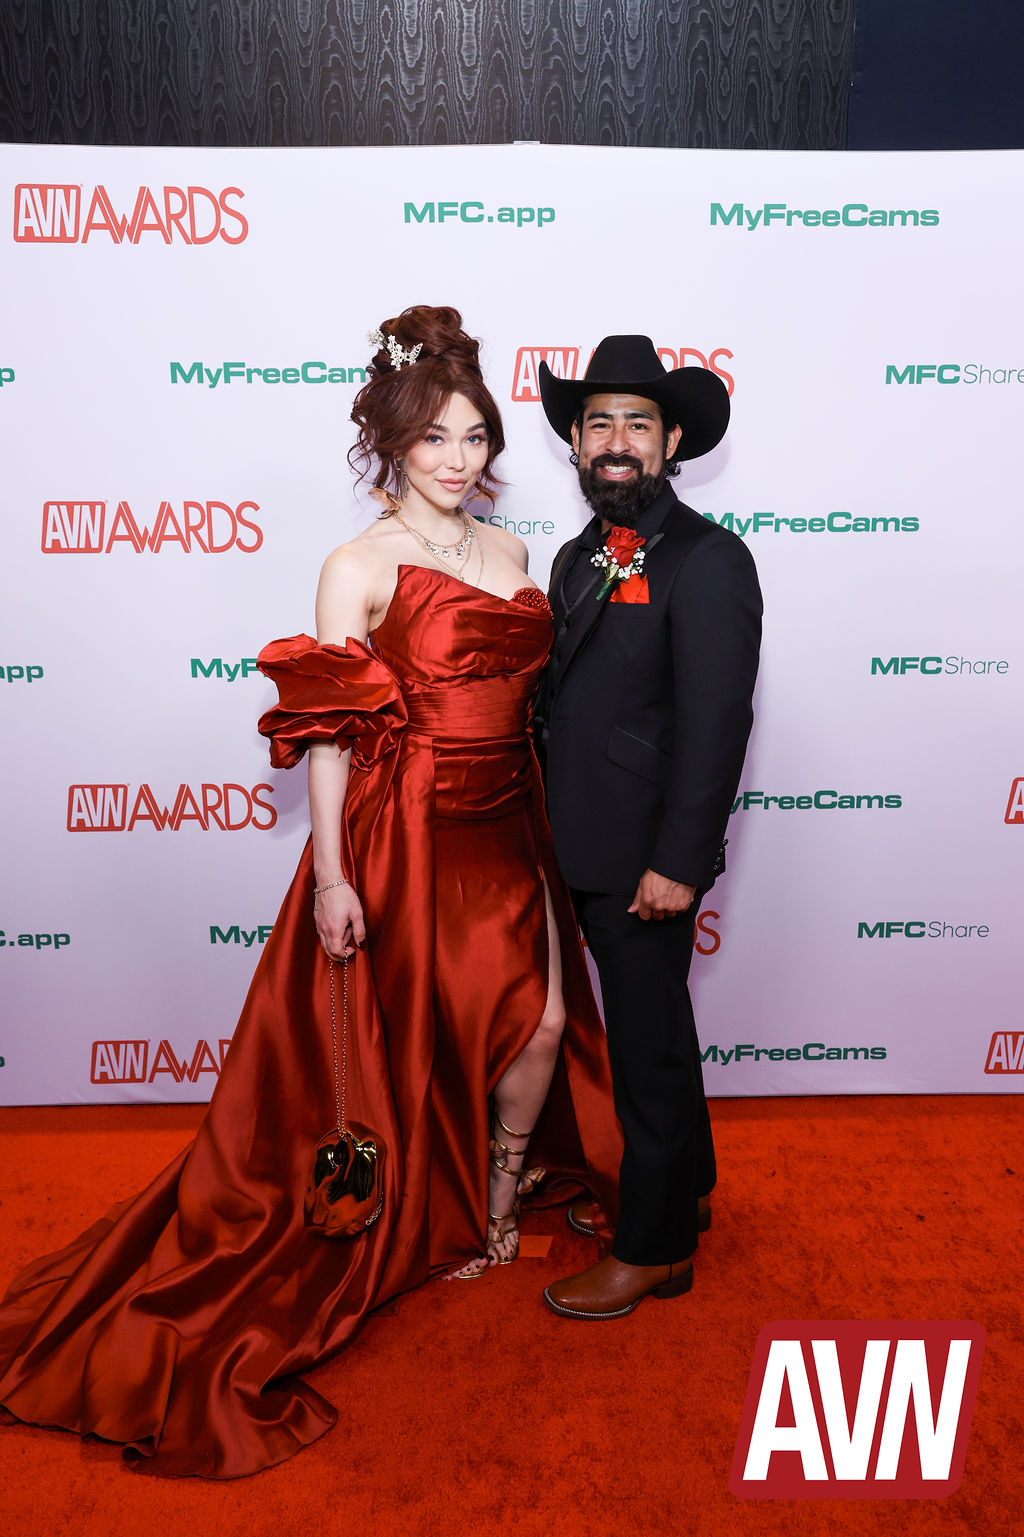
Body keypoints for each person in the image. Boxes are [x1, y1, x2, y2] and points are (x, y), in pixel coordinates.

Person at [0, 306, 623, 1478]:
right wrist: (334, 874)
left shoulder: (513, 554)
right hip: (407, 823)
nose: (456, 458)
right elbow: (332, 732)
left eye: (473, 436)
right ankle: (433, 1207)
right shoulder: (356, 566)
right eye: (432, 437)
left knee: (539, 1020)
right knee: (411, 1034)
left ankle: (496, 1199)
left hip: (510, 813)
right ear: (388, 444)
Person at [532, 335, 762, 1321]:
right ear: (578, 445)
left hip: (645, 860)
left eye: (637, 423)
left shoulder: (708, 558)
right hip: (584, 840)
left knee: (646, 1048)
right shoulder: (578, 554)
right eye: (599, 424)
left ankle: (655, 1248)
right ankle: (686, 1190)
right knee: (658, 1029)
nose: (616, 441)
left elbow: (717, 725)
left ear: (671, 441)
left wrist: (678, 862)